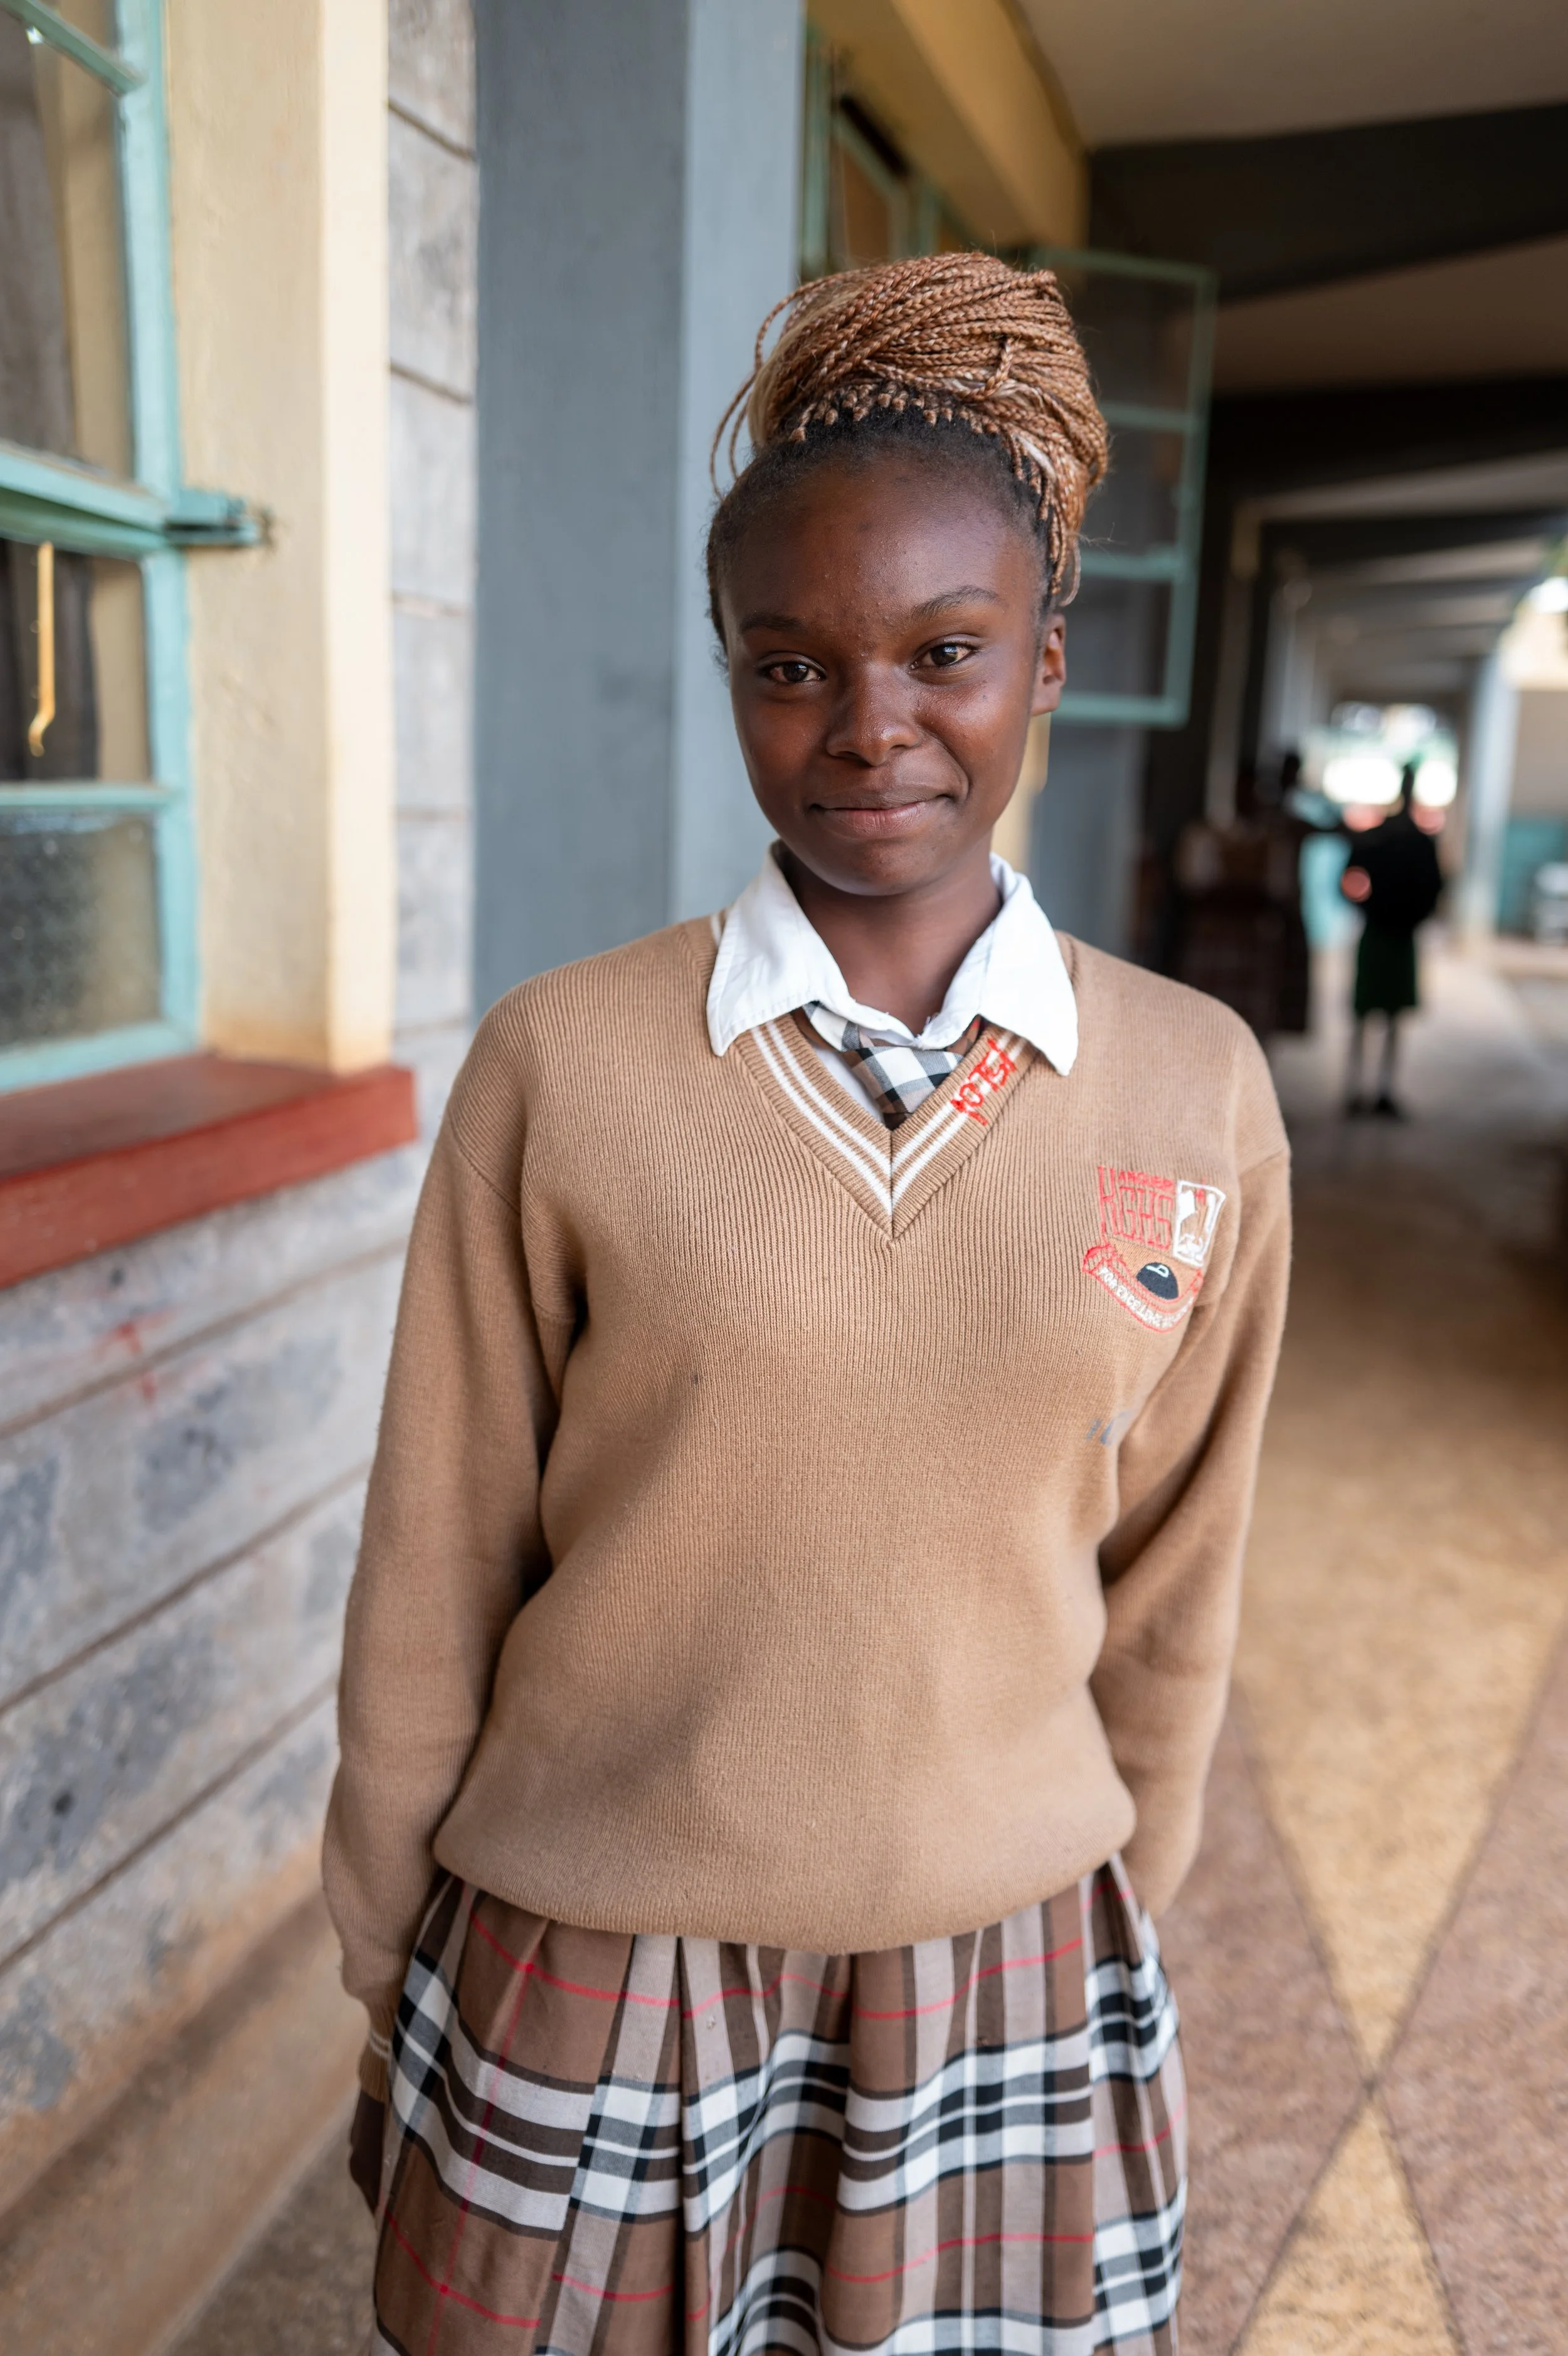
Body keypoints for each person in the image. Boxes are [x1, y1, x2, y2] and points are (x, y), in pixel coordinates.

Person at [324, 253, 1291, 2356]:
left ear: (1047, 659)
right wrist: (397, 1917)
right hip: (594, 1946)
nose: (869, 726)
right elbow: (442, 1535)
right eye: (790, 663)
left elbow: (1177, 1570)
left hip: (999, 1953)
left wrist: (1109, 1876)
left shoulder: (1190, 1090)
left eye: (946, 650)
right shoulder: (566, 1063)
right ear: (730, 669)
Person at [1342, 762, 1444, 1117]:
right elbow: (1350, 876)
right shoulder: (1388, 837)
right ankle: (1357, 1088)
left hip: (1397, 934)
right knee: (1366, 1014)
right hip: (1384, 932)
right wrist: (1368, 907)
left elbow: (1434, 888)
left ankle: (1381, 1089)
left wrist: (1409, 915)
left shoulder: (1414, 841)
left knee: (1391, 1017)